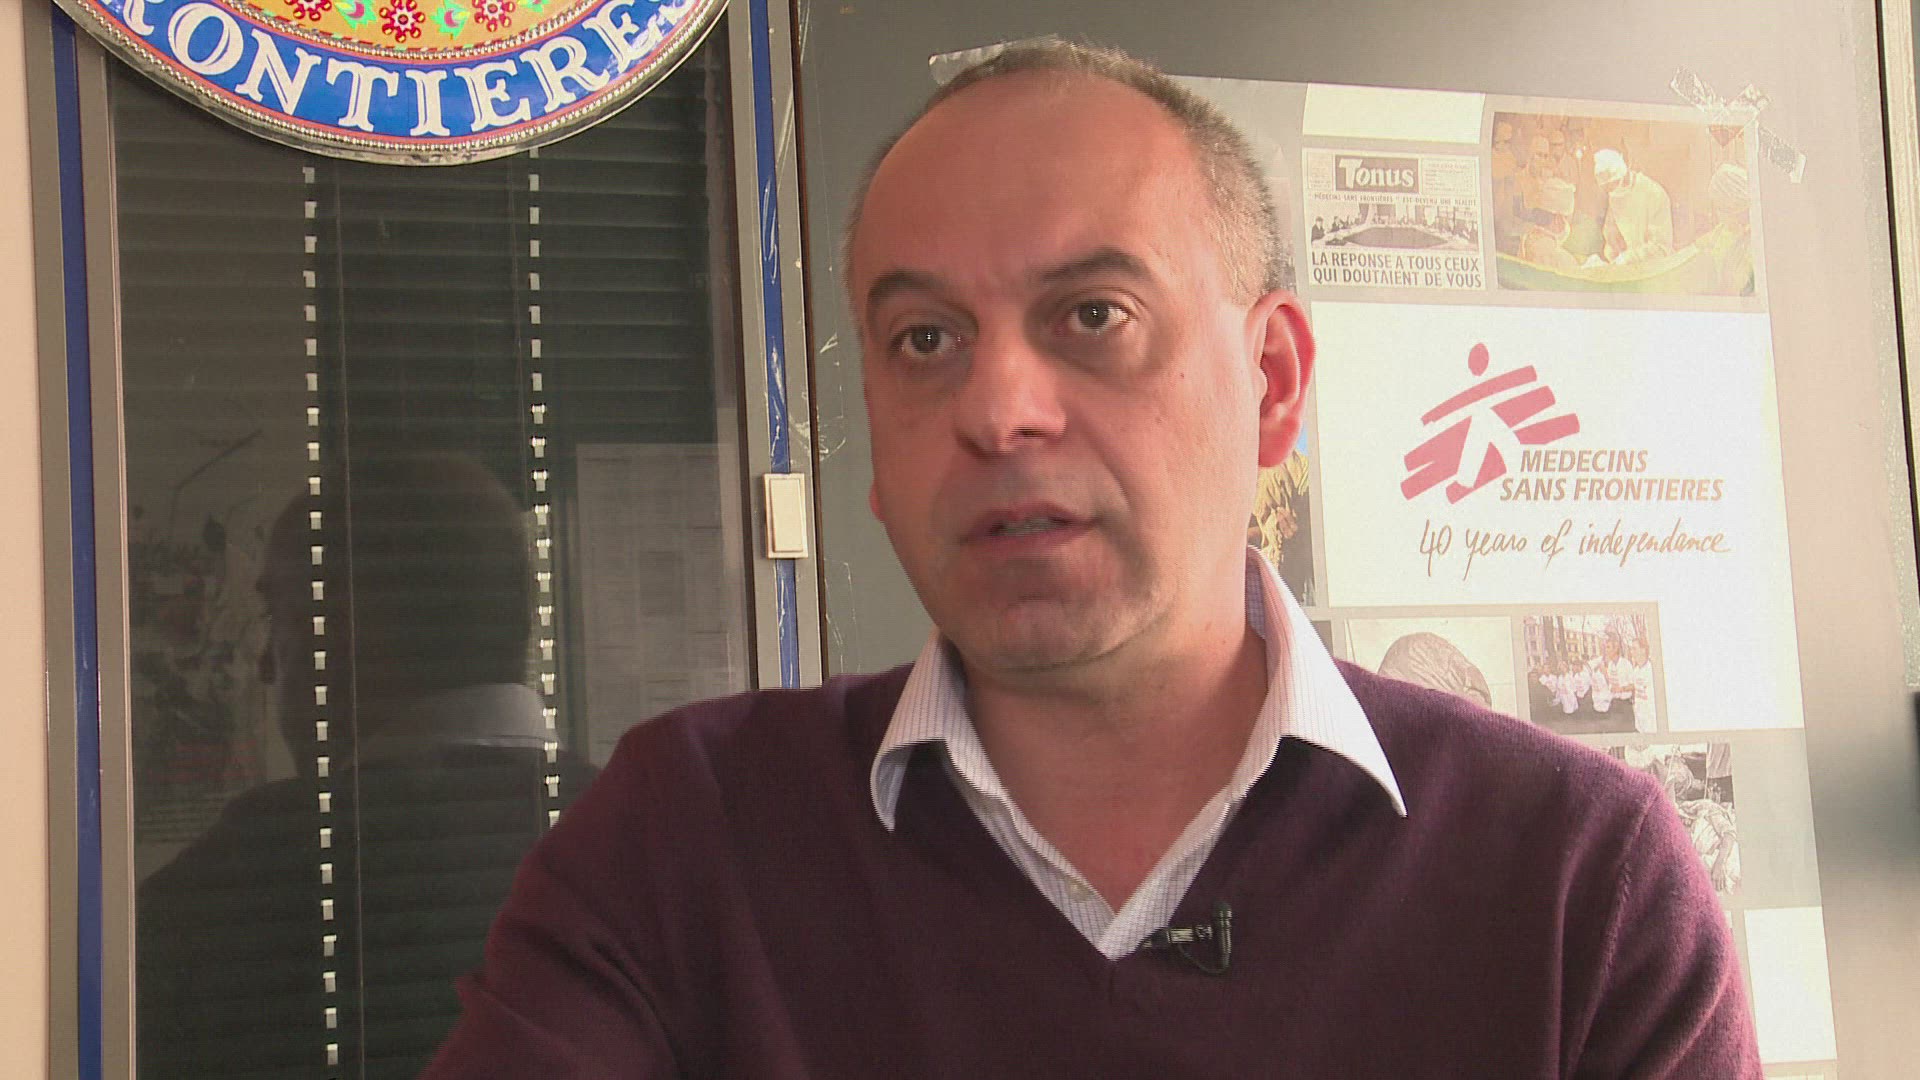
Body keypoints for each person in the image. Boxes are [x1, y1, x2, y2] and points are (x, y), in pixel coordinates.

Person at [424, 41, 1760, 1077]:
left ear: (1274, 382)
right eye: (926, 341)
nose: (998, 410)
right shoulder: (685, 841)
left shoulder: (1577, 882)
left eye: (1093, 316)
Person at [138, 453, 597, 1080]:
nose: (267, 666)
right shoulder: (647, 831)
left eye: (278, 617)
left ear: (347, 630)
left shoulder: (256, 867)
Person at [1592, 147, 1675, 266]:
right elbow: (1611, 233)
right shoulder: (1616, 193)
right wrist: (1612, 248)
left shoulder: (1654, 193)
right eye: (1606, 188)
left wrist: (1629, 258)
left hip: (1657, 268)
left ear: (1623, 177)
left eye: (1610, 186)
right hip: (1632, 268)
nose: (1609, 192)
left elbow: (1661, 249)